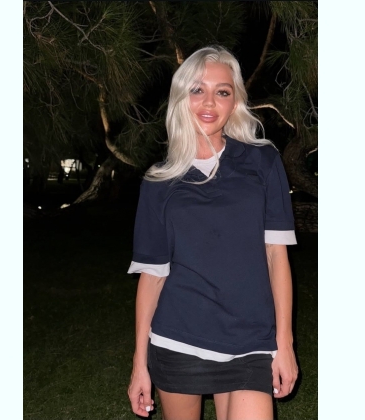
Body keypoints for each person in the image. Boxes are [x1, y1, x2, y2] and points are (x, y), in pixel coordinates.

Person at [127, 45, 298, 420]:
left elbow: (276, 256)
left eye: (222, 91)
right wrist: (140, 363)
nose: (209, 102)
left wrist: (284, 343)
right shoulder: (159, 180)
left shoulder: (262, 161)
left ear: (234, 101)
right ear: (181, 97)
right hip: (179, 338)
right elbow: (153, 276)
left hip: (251, 339)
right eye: (197, 90)